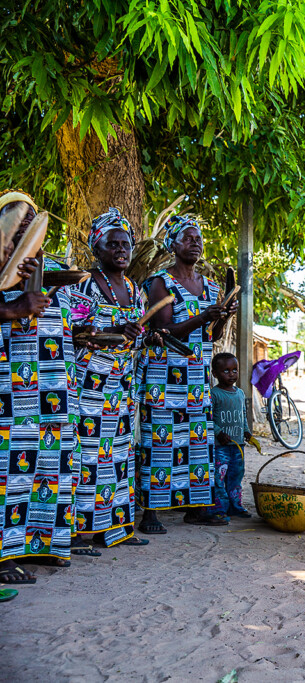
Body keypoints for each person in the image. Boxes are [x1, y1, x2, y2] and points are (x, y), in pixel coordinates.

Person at [139, 214, 237, 533]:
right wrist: (203, 317)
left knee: (196, 442)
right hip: (163, 377)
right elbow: (162, 330)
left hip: (195, 379)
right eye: (188, 238)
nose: (195, 242)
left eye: (198, 238)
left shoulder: (208, 285)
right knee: (161, 441)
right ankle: (150, 512)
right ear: (173, 244)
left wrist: (222, 316)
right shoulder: (160, 282)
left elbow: (213, 334)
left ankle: (196, 507)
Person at [68, 208, 157, 551]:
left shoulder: (134, 289)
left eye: (126, 244)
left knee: (119, 456)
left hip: (121, 387)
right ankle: (79, 533)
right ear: (97, 248)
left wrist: (143, 335)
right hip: (89, 385)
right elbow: (72, 332)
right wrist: (111, 331)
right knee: (86, 456)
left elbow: (135, 335)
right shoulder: (85, 284)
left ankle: (114, 528)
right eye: (113, 244)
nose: (121, 249)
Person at [0, 191, 61, 586]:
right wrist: (14, 308)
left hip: (15, 384)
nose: (26, 228)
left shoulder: (18, 266)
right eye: (19, 219)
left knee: (12, 469)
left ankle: (11, 550)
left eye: (31, 223)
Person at [210, 352, 252, 518]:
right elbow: (208, 418)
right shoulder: (214, 394)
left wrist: (246, 431)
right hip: (221, 446)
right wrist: (219, 432)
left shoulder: (240, 393)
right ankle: (220, 508)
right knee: (219, 478)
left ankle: (235, 506)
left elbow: (242, 415)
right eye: (225, 371)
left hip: (237, 445)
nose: (231, 374)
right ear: (215, 374)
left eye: (234, 370)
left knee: (236, 476)